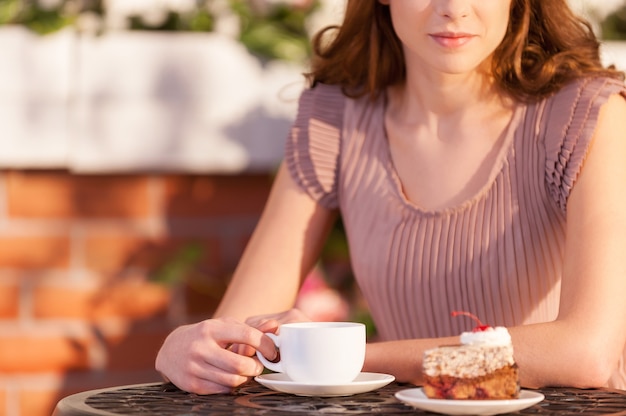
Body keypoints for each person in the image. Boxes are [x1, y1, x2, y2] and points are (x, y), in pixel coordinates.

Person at [156, 0, 626, 394]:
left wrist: (353, 356)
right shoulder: (336, 116)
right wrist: (192, 350)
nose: (454, 10)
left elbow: (586, 352)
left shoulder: (589, 115)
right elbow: (235, 340)